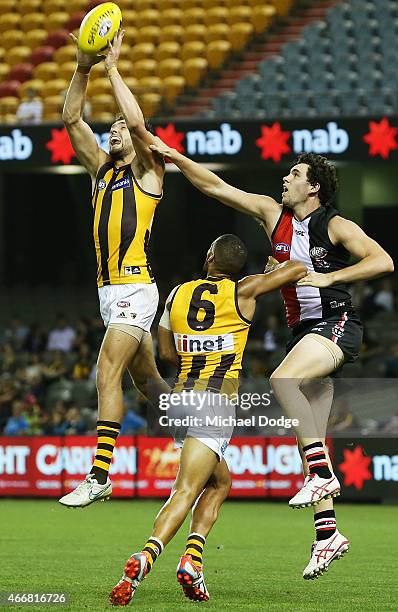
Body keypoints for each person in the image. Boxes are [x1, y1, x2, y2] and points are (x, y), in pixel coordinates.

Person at [149, 140, 394, 578]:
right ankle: (327, 534)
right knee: (310, 437)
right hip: (304, 334)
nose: (285, 178)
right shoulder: (272, 215)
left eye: (295, 175)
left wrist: (332, 276)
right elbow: (218, 187)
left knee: (283, 381)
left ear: (314, 187)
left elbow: (383, 260)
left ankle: (320, 477)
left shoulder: (335, 225)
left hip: (336, 325)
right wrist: (174, 156)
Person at [109, 234, 306, 605]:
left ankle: (193, 561)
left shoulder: (178, 292)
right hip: (214, 403)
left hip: (179, 400)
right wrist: (274, 271)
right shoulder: (244, 291)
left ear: (210, 257)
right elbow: (299, 268)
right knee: (187, 489)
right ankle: (144, 558)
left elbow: (166, 351)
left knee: (219, 482)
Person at [59, 31, 169, 508]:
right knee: (147, 383)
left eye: (120, 125)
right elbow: (70, 117)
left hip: (135, 287)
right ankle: (202, 437)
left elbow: (142, 126)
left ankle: (100, 473)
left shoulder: (149, 172)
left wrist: (111, 67)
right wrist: (83, 66)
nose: (116, 129)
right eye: (114, 126)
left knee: (106, 372)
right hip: (110, 294)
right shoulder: (101, 170)